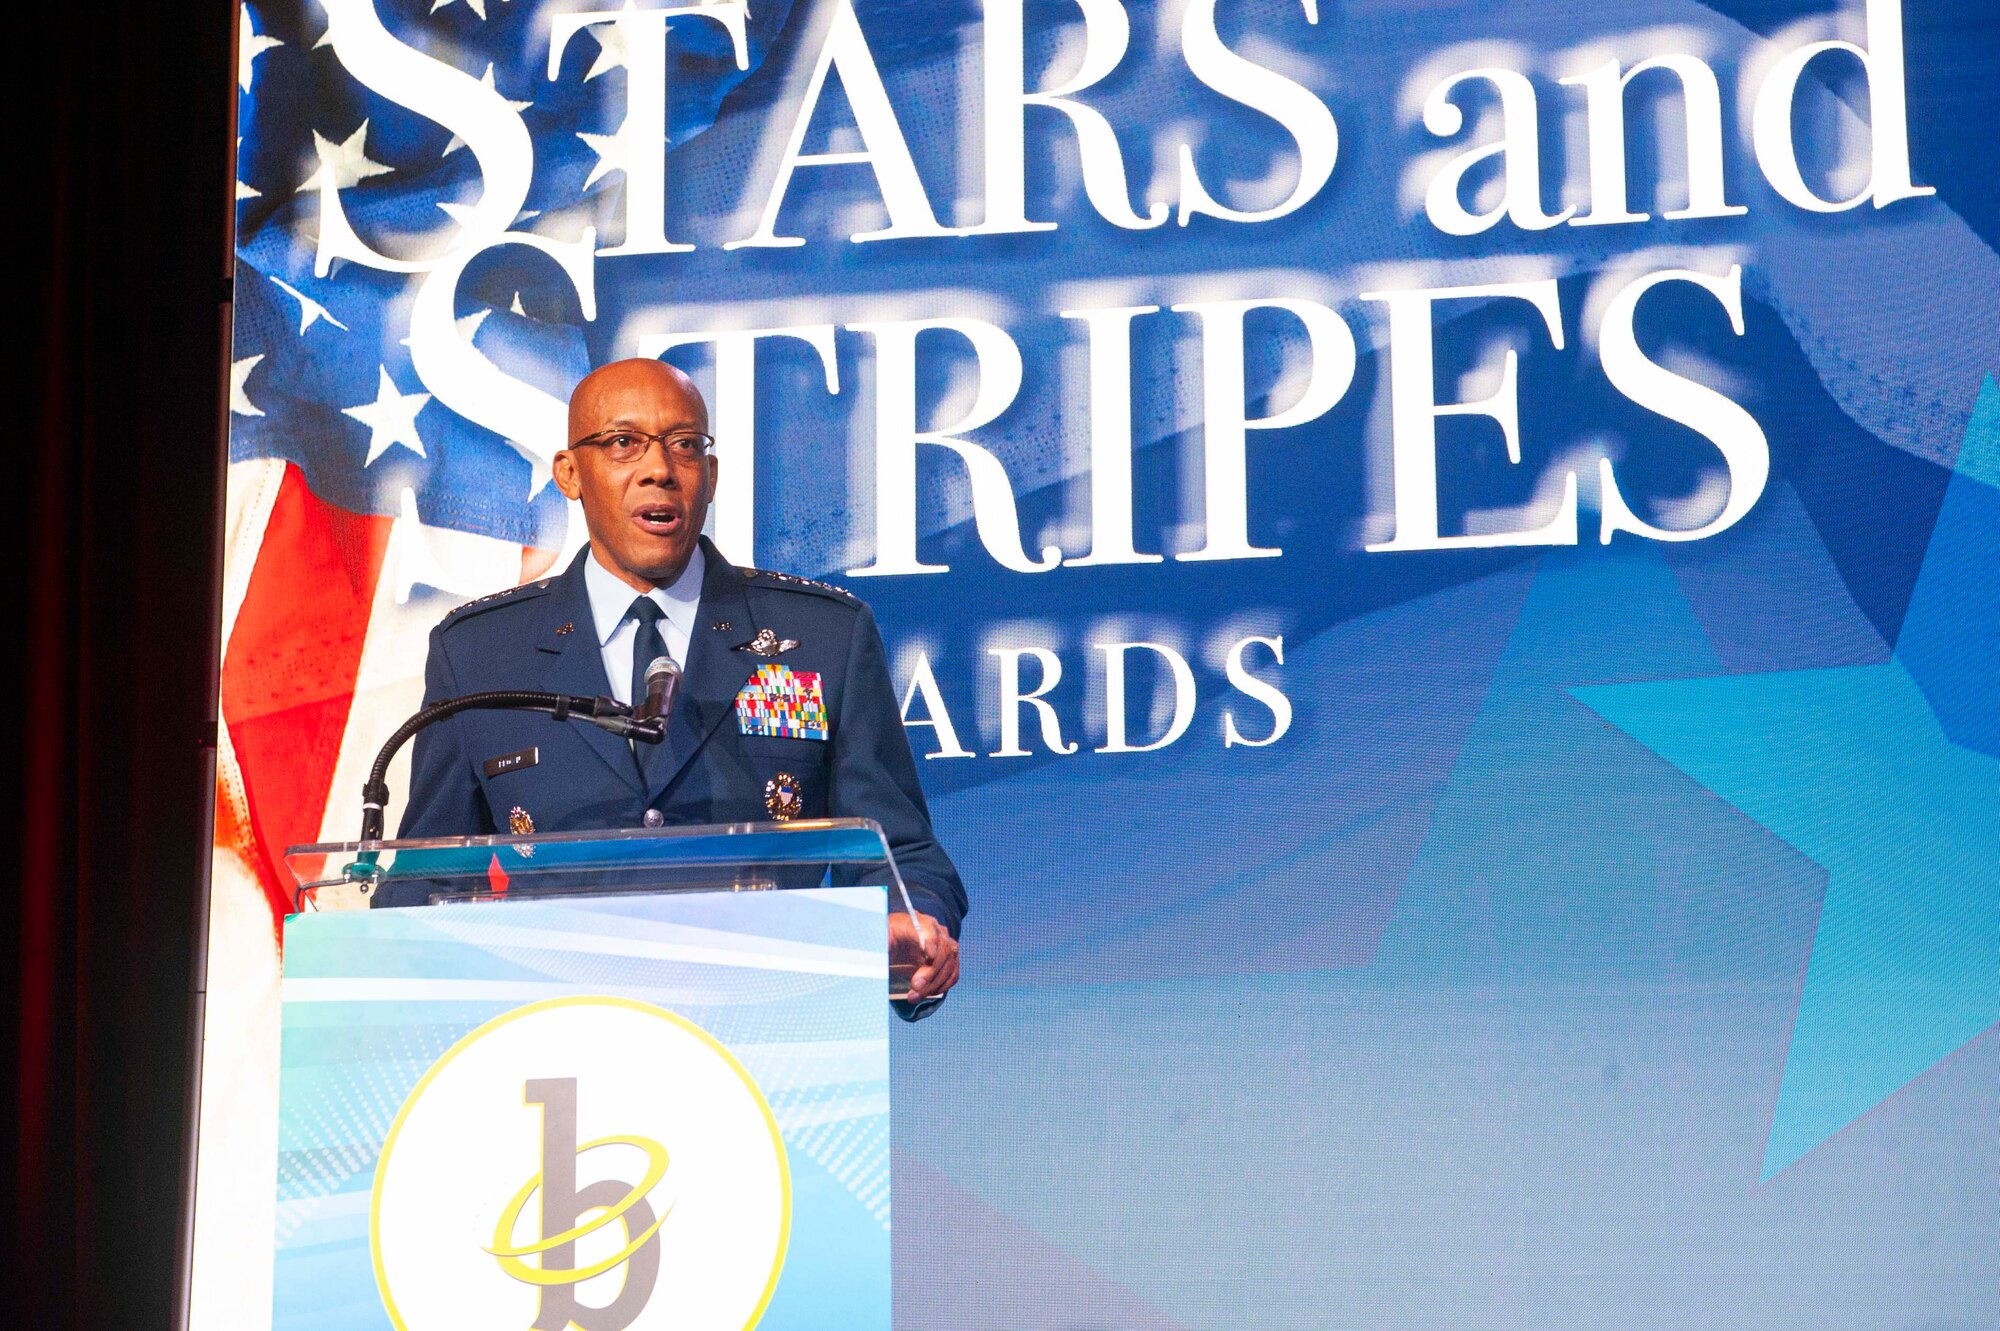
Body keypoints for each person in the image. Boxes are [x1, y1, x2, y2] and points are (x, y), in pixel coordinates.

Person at [378, 358, 964, 1006]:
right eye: (623, 443)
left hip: (770, 1026)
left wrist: (914, 919)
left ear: (710, 476)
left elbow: (898, 852)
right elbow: (423, 881)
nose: (659, 468)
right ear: (569, 473)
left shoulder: (823, 636)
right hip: (550, 1028)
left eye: (684, 445)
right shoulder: (481, 654)